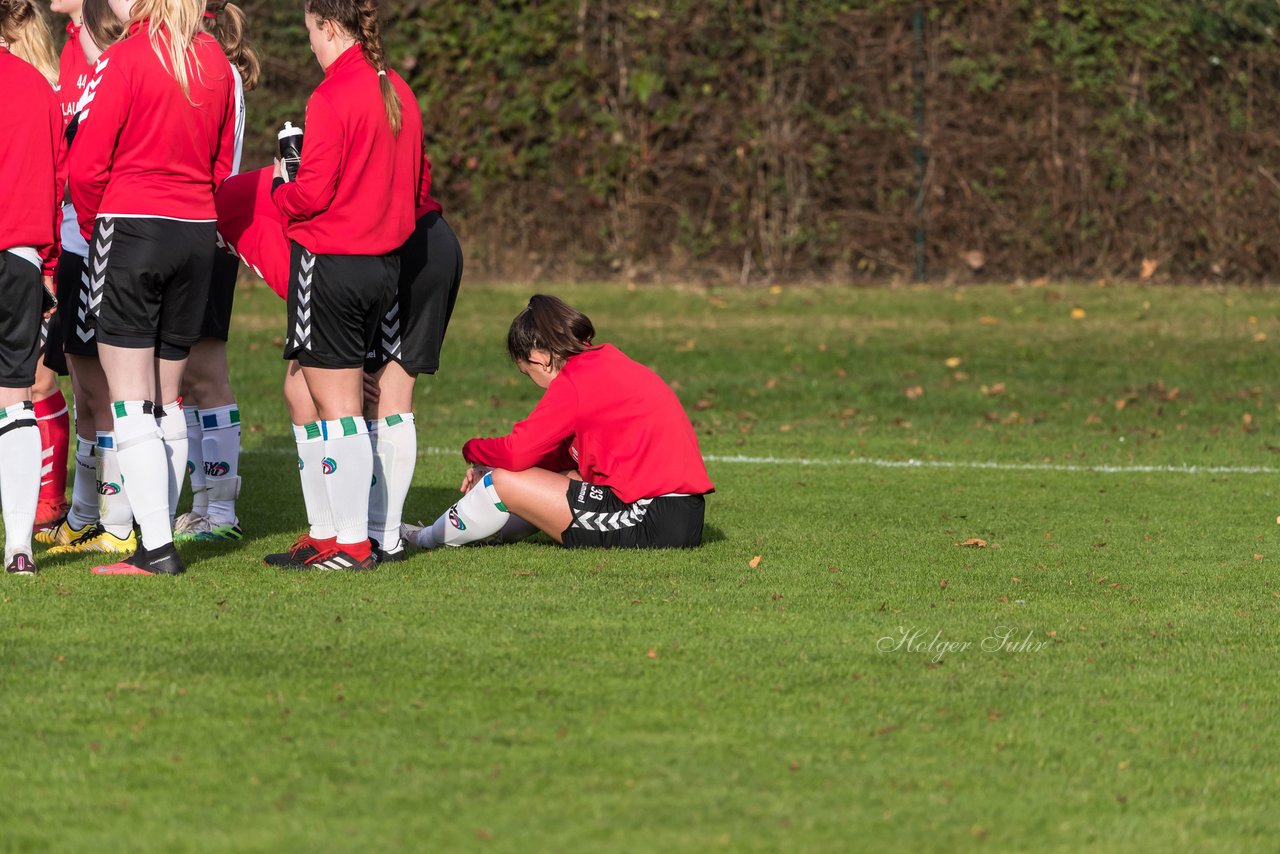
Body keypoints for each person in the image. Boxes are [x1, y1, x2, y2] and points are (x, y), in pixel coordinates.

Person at [215, 0, 423, 571]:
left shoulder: (333, 95)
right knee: (301, 391)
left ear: (328, 26)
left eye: (310, 30)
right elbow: (413, 179)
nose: (309, 42)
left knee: (338, 408)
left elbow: (310, 196)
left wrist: (283, 187)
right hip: (382, 265)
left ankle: (353, 543)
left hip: (332, 263)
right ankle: (329, 532)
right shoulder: (396, 88)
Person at [69, 0, 237, 576]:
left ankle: (157, 548)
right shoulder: (217, 60)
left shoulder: (127, 56)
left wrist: (97, 226)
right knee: (168, 400)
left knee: (131, 400)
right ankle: (157, 536)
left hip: (134, 226)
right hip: (197, 232)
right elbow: (220, 164)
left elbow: (85, 167)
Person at [402, 295, 714, 551]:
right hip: (679, 514)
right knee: (545, 475)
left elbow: (516, 453)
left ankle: (424, 539)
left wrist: (473, 450)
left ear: (537, 358)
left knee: (503, 481)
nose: (532, 380)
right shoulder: (605, 360)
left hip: (651, 518)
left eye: (527, 372)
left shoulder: (575, 380)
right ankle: (480, 531)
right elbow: (564, 457)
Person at [36, 0, 137, 556]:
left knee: (111, 389)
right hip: (74, 241)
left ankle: (119, 522)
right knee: (85, 384)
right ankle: (85, 512)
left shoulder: (111, 44)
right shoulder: (69, 47)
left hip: (107, 237)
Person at [172, 0, 259, 544]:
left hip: (202, 231)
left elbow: (218, 168)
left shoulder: (213, 68)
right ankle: (201, 506)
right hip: (184, 232)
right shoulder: (188, 59)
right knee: (180, 381)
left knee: (206, 377)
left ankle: (221, 513)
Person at [0, 0, 64, 575]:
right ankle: (19, 545)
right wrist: (47, 263)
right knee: (14, 397)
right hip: (19, 257)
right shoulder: (40, 89)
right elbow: (54, 181)